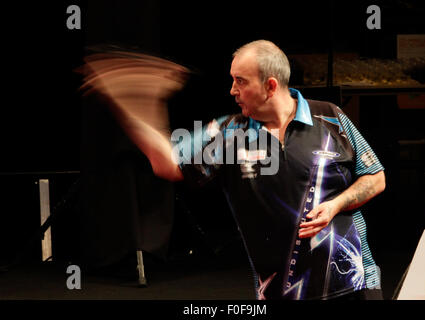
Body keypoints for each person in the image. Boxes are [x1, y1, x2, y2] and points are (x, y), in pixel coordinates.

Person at [81, 40, 385, 300]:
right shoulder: (230, 134)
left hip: (357, 285)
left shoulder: (331, 117)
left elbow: (375, 177)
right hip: (281, 293)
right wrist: (134, 101)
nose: (232, 90)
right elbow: (167, 162)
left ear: (270, 86)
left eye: (241, 81)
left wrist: (335, 206)